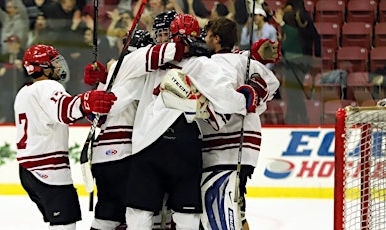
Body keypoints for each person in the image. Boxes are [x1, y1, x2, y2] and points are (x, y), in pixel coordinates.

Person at [124, 14, 246, 229]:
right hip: (184, 142)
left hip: (147, 143)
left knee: (139, 210)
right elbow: (230, 102)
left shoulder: (149, 59)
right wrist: (248, 96)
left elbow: (122, 79)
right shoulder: (201, 63)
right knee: (186, 212)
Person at [84, 30, 184, 229]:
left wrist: (100, 84)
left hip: (101, 157)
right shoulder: (141, 73)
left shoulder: (115, 71)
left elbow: (94, 115)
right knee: (143, 212)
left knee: (107, 216)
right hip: (124, 155)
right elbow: (112, 105)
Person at [14, 44, 117, 230]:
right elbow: (64, 110)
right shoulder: (47, 86)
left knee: (60, 222)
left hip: (29, 169)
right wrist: (87, 100)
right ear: (42, 67)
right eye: (54, 62)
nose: (60, 66)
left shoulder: (24, 92)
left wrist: (89, 104)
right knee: (64, 224)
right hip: (48, 170)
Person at [201, 17, 280, 229]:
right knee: (238, 209)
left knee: (218, 210)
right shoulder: (247, 63)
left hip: (221, 147)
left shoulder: (211, 65)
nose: (204, 39)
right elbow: (272, 83)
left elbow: (224, 98)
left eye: (207, 35)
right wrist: (255, 98)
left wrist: (245, 99)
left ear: (216, 39)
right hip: (247, 147)